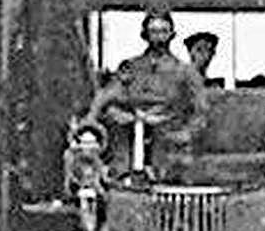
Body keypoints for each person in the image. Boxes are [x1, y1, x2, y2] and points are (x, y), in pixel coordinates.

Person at [83, 10, 211, 176]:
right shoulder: (131, 66)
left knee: (169, 171)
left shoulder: (186, 72)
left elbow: (201, 110)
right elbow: (108, 94)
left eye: (164, 31)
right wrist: (91, 120)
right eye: (153, 31)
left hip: (167, 134)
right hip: (129, 130)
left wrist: (186, 133)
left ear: (172, 35)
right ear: (145, 35)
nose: (158, 37)